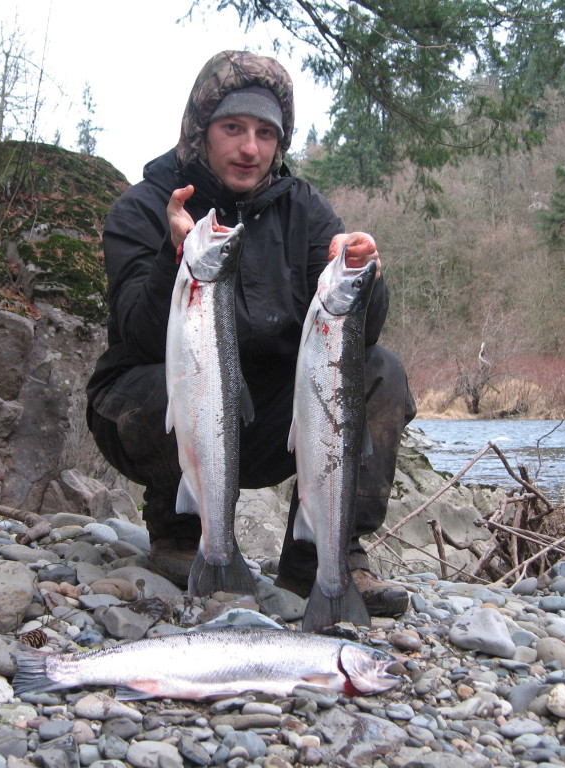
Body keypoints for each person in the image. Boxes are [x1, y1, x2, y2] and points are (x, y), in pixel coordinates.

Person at [86, 50, 417, 617]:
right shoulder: (140, 208)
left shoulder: (305, 211)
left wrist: (365, 277)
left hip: (267, 423)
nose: (250, 148)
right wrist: (176, 256)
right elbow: (137, 337)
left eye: (266, 133)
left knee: (382, 373)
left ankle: (324, 560)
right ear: (199, 131)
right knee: (182, 382)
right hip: (146, 408)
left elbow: (354, 341)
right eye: (233, 128)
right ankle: (181, 533)